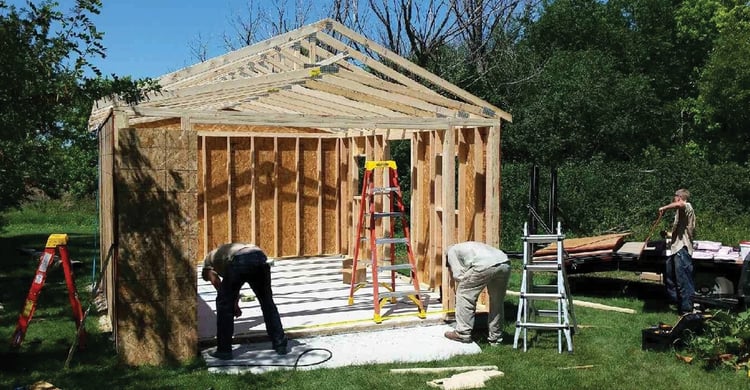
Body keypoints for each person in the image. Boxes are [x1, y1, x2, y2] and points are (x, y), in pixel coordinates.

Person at [202, 243, 288, 360]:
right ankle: (280, 344)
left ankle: (224, 350)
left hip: (241, 259)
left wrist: (231, 304)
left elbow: (219, 285)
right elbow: (232, 288)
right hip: (259, 256)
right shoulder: (223, 255)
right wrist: (235, 304)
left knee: (223, 303)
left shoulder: (208, 263)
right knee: (267, 302)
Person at [443, 241, 512, 345]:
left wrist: (468, 281)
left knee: (464, 294)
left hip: (485, 264)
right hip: (504, 263)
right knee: (497, 301)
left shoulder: (451, 251)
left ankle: (462, 333)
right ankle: (496, 338)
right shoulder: (468, 246)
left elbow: (458, 276)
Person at [658, 188, 697, 315]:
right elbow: (680, 231)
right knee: (670, 276)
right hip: (676, 249)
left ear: (679, 197)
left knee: (683, 281)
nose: (673, 199)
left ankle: (687, 310)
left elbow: (680, 205)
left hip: (682, 249)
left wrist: (664, 208)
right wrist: (668, 234)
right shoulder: (679, 213)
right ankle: (679, 305)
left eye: (675, 197)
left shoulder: (687, 206)